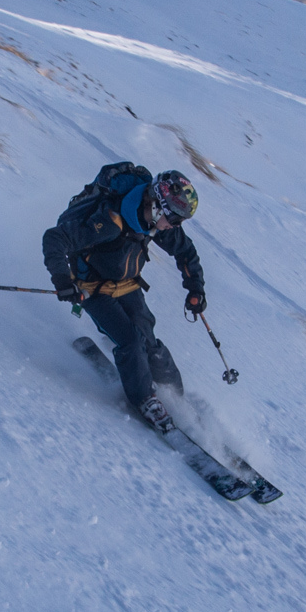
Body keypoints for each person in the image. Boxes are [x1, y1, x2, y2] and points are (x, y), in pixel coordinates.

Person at [42, 164, 206, 432]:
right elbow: (55, 238)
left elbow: (185, 252)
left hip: (128, 284)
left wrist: (195, 288)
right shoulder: (108, 222)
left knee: (150, 343)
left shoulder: (157, 223)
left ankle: (175, 395)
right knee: (130, 341)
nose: (175, 226)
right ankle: (145, 400)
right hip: (93, 289)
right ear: (156, 206)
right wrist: (63, 280)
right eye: (174, 219)